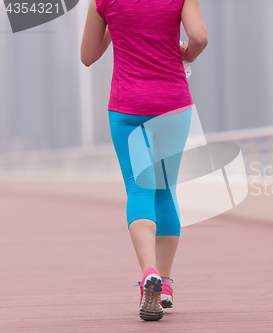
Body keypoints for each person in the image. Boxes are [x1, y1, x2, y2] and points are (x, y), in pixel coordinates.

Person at [80, 0, 208, 321]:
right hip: (172, 104)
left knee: (139, 189)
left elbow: (87, 56)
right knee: (164, 189)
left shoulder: (103, 1)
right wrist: (185, 54)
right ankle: (163, 285)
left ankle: (148, 272)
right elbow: (200, 38)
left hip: (126, 106)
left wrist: (115, 25)